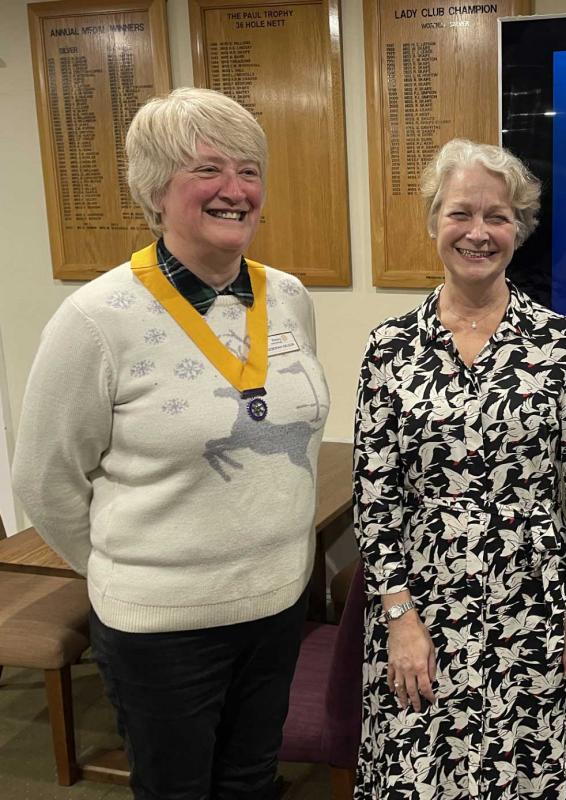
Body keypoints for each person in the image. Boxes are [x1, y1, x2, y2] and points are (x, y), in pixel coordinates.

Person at [12, 87, 329, 800]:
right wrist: (130, 576)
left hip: (277, 604)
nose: (235, 190)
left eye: (249, 171)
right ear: (155, 191)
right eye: (208, 170)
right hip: (162, 627)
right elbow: (44, 481)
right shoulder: (96, 318)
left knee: (250, 780)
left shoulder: (287, 296)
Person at [353, 138, 566, 798]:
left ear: (518, 229)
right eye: (460, 213)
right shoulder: (389, 349)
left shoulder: (560, 343)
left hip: (532, 604)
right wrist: (397, 619)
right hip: (422, 605)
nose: (478, 232)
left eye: (496, 216)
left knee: (532, 769)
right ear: (433, 221)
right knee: (422, 770)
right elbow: (375, 496)